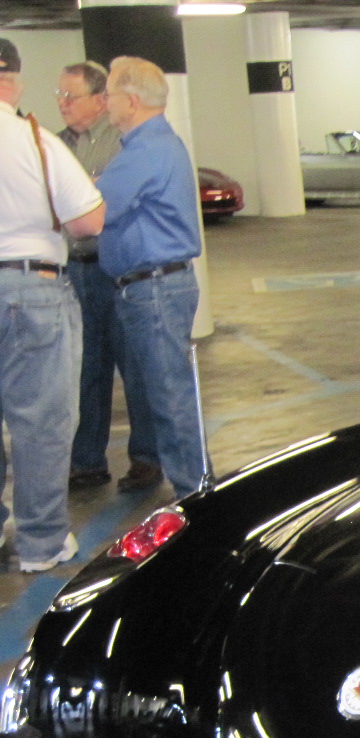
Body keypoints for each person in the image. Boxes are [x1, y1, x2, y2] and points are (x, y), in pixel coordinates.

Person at [0, 37, 105, 571]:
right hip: (32, 288)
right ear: (13, 80)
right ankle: (41, 544)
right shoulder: (36, 141)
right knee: (40, 421)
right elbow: (89, 220)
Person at [95, 56, 206, 498]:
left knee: (170, 398)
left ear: (132, 100)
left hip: (153, 287)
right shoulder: (155, 146)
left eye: (110, 95)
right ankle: (196, 488)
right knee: (168, 395)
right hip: (158, 285)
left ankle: (196, 497)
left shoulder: (144, 151)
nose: (105, 104)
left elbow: (94, 210)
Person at [56, 60, 159, 493]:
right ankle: (86, 461)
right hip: (74, 270)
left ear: (101, 99)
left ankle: (147, 459)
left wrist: (85, 192)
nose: (62, 104)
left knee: (134, 365)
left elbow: (101, 202)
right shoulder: (55, 145)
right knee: (86, 368)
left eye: (70, 96)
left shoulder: (123, 141)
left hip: (116, 268)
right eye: (59, 96)